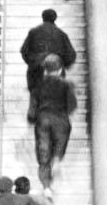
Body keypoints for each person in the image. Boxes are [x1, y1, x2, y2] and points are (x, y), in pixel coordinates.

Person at [28, 53, 76, 193]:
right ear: (60, 70)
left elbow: (32, 111)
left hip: (43, 120)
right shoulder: (67, 85)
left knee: (43, 156)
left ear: (45, 70)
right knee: (57, 151)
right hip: (61, 121)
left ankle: (46, 187)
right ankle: (56, 161)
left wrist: (32, 119)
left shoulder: (37, 86)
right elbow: (72, 106)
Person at [19, 7, 76, 97]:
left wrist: (34, 63)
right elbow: (71, 55)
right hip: (56, 74)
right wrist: (61, 64)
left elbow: (24, 51)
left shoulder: (33, 32)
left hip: (36, 73)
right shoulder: (62, 34)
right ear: (55, 18)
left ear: (43, 17)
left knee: (36, 100)